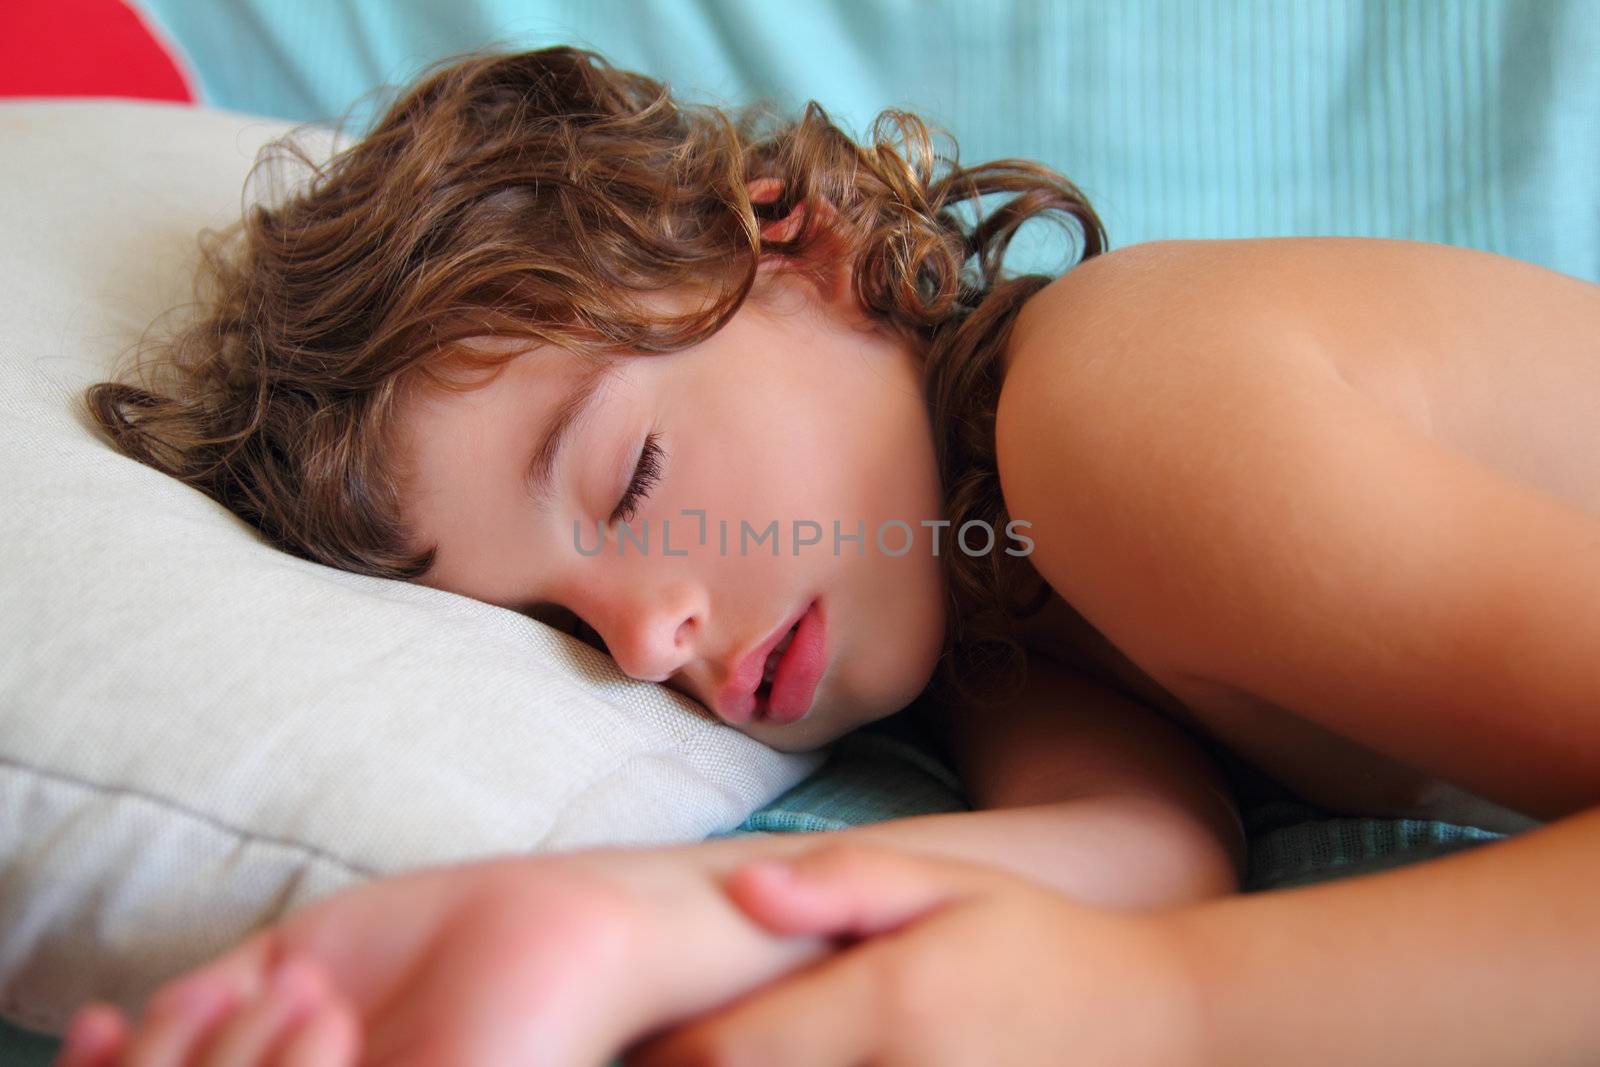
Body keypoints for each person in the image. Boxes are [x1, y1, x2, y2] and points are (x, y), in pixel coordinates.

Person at [57, 43, 1600, 1067]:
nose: (650, 640)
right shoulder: (999, 611)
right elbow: (1145, 858)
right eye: (566, 623)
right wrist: (594, 934)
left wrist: (1165, 1017)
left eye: (635, 476)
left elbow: (1146, 953)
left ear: (803, 242)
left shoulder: (1116, 406)